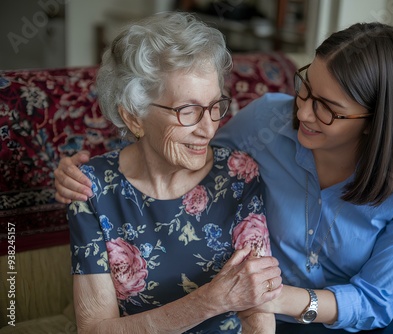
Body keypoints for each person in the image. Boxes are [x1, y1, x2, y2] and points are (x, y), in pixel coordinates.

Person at [55, 21, 393, 333]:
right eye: (305, 89)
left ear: (373, 122)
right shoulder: (268, 122)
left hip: (340, 299)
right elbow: (175, 144)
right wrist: (88, 172)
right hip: (271, 306)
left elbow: (377, 301)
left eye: (328, 108)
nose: (305, 114)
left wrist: (265, 297)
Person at [62, 12, 283, 334]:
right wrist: (209, 301)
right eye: (188, 111)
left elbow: (258, 311)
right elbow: (94, 329)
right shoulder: (91, 188)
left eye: (215, 105)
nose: (208, 129)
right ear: (134, 117)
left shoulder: (238, 175)